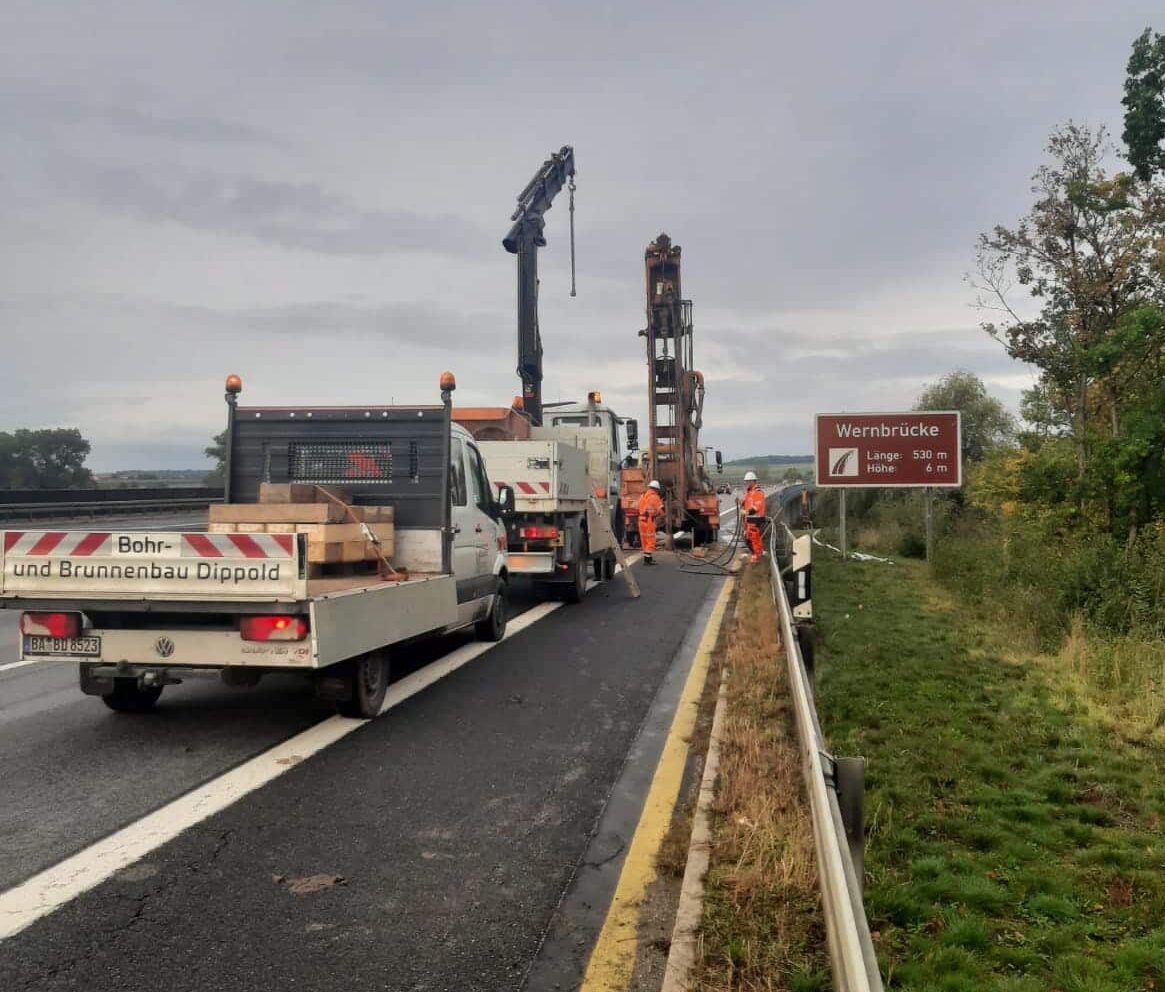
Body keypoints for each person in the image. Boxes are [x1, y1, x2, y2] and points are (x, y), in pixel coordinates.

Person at [637, 481, 664, 565]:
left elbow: (638, 507)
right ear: (656, 489)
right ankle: (648, 561)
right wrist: (663, 515)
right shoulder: (655, 497)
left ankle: (647, 559)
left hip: (641, 521)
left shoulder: (642, 496)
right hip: (649, 521)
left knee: (644, 540)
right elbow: (660, 510)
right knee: (651, 540)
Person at [742, 471, 766, 562]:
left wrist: (747, 512)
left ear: (753, 481)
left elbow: (757, 506)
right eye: (746, 481)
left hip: (756, 519)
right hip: (750, 519)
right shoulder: (749, 492)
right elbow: (745, 502)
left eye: (748, 481)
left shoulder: (758, 492)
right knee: (749, 537)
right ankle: (757, 553)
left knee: (754, 537)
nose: (746, 483)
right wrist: (739, 502)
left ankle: (757, 555)